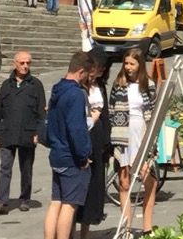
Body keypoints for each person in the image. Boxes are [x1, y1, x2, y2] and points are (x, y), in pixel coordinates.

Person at [0, 50, 45, 215]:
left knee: (26, 168)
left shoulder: (36, 85)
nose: (25, 66)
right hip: (7, 132)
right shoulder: (6, 85)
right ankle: (2, 201)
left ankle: (25, 198)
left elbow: (42, 113)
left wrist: (39, 133)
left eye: (28, 63)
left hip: (28, 133)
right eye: (22, 63)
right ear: (15, 64)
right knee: (5, 166)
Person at [44, 51, 94, 239]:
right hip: (70, 156)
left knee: (55, 201)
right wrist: (83, 156)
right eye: (87, 76)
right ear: (81, 72)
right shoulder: (75, 94)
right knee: (69, 204)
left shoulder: (57, 89)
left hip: (56, 152)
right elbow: (77, 129)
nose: (86, 80)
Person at [110, 48, 158, 236]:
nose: (128, 67)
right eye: (126, 63)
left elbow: (153, 111)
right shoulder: (118, 84)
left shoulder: (149, 85)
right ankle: (126, 227)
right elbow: (113, 110)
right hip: (123, 134)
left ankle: (147, 225)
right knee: (124, 182)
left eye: (132, 63)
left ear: (140, 65)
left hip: (141, 132)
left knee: (150, 180)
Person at [75, 50, 111, 238]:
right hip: (83, 137)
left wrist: (107, 141)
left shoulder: (101, 87)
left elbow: (105, 116)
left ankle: (85, 232)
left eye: (100, 69)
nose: (95, 72)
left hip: (98, 140)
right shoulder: (78, 88)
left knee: (94, 188)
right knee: (78, 188)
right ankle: (71, 230)